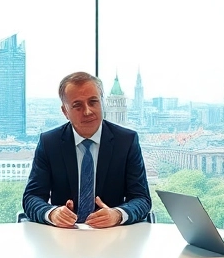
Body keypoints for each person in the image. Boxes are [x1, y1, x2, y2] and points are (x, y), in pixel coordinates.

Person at [21, 71, 152, 227]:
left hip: (112, 237)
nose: (88, 111)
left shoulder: (126, 141)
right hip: (64, 237)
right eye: (77, 106)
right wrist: (52, 213)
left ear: (102, 103)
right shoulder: (50, 142)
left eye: (93, 102)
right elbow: (31, 197)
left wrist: (117, 214)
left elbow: (141, 199)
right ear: (65, 111)